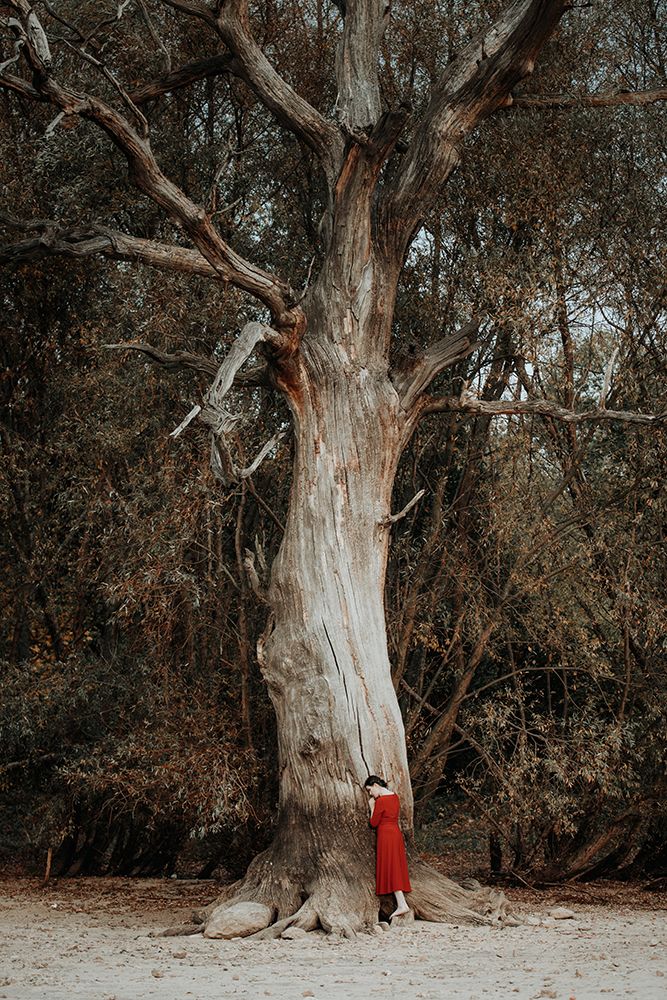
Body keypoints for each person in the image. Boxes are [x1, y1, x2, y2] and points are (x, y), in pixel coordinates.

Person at [364, 774, 411, 918]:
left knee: (391, 866)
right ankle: (401, 902)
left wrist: (372, 807)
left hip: (385, 834)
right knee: (395, 865)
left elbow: (373, 823)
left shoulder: (381, 801)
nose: (370, 794)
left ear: (376, 786)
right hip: (395, 833)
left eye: (370, 790)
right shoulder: (395, 797)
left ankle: (402, 904)